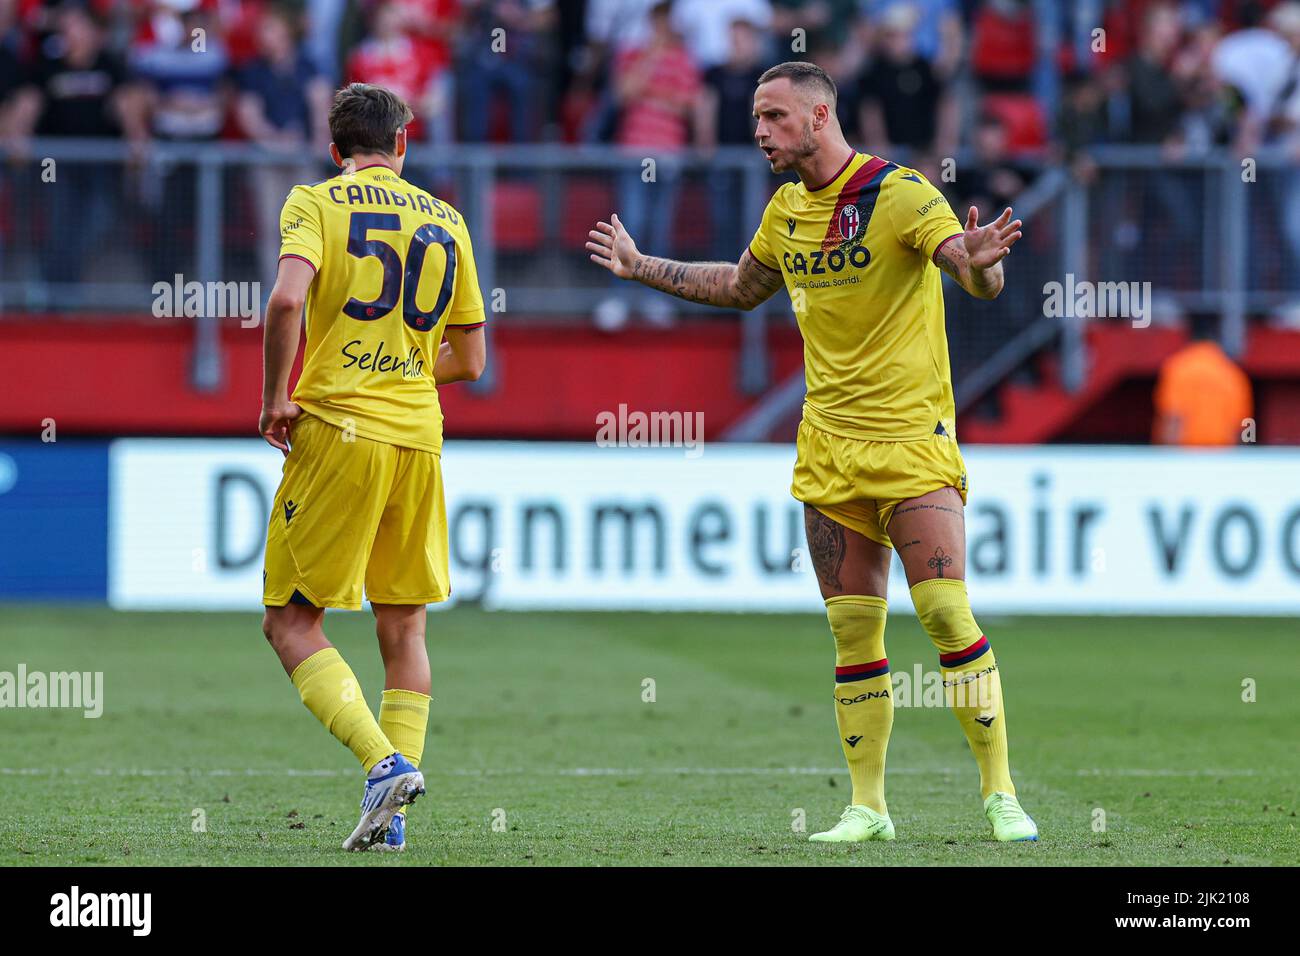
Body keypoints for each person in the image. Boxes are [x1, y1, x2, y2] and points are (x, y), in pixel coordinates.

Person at [587, 60, 1037, 843]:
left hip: (911, 443)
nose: (757, 130)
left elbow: (964, 267)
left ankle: (1000, 792)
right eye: (757, 117)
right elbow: (736, 285)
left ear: (820, 118)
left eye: (773, 117)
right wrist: (641, 267)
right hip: (828, 451)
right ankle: (868, 807)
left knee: (941, 608)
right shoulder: (786, 209)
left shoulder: (898, 194)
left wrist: (983, 266)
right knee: (855, 635)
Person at [259, 82, 487, 852]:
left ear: (336, 151)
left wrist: (274, 398)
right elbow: (474, 358)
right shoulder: (449, 220)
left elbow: (286, 302)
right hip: (421, 437)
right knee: (405, 622)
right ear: (403, 147)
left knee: (290, 620)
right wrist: (408, 370)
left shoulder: (314, 202)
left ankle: (380, 762)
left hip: (339, 429)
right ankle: (391, 813)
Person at [1153, 322, 1253, 446]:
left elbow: (1172, 418)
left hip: (1184, 456)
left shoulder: (1178, 368)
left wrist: (1166, 459)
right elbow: (1241, 427)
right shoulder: (1233, 373)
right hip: (1223, 456)